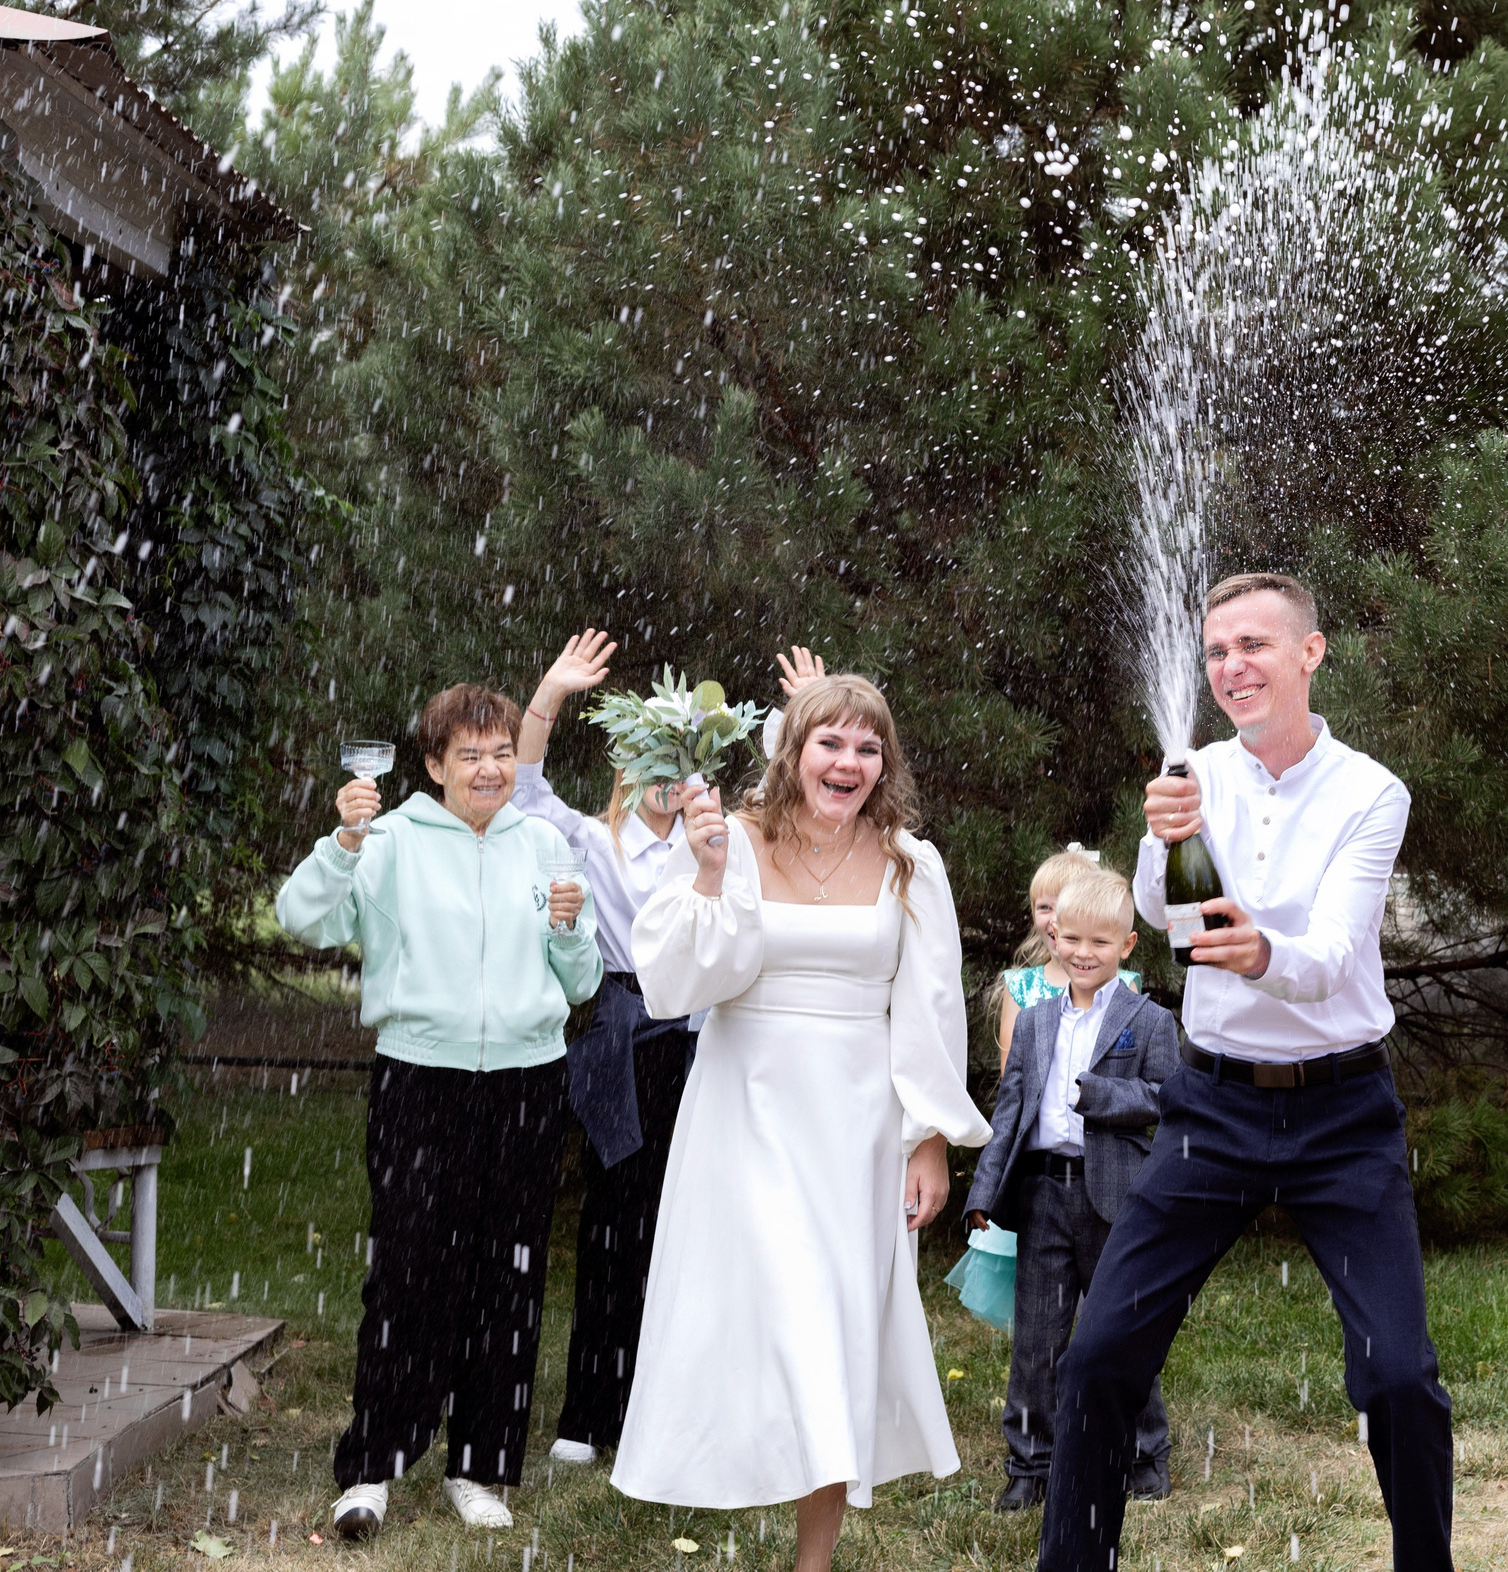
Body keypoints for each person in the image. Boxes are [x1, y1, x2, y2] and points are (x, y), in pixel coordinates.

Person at [1040, 571, 1453, 1572]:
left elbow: (1326, 957)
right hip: (1210, 1107)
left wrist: (1261, 953)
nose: (1232, 668)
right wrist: (1167, 839)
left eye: (1254, 646)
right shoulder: (1196, 772)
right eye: (1218, 651)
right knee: (1098, 1358)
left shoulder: (1371, 793)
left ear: (1309, 653)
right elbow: (1163, 914)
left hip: (1342, 1113)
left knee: (1398, 1378)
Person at [615, 674, 991, 1572]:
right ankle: (737, 1465)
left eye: (867, 747)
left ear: (883, 764)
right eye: (831, 743)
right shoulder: (731, 840)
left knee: (834, 1323)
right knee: (761, 1316)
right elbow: (675, 983)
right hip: (746, 1107)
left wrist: (928, 1135)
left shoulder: (910, 861)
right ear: (794, 750)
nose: (848, 762)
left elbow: (929, 1005)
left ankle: (812, 1560)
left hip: (856, 1122)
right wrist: (707, 874)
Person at [276, 684, 600, 1540]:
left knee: (510, 1274)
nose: (489, 768)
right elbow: (300, 918)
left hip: (528, 1084)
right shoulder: (385, 841)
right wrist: (343, 839)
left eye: (500, 753)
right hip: (420, 1079)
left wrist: (568, 934)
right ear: (433, 765)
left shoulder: (546, 844)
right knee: (409, 1273)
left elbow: (583, 982)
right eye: (469, 754)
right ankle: (373, 1465)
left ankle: (481, 1464)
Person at [508, 629, 698, 1466]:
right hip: (625, 1040)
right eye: (651, 763)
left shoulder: (715, 843)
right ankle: (590, 1411)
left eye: (681, 764)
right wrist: (548, 693)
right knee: (615, 1224)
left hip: (700, 1040)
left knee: (693, 1225)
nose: (667, 782)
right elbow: (520, 785)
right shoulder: (592, 838)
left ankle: (683, 1410)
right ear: (625, 766)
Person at [966, 865, 1180, 1512]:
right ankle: (1031, 1462)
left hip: (1117, 1197)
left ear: (1127, 946)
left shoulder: (1147, 1020)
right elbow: (1010, 1112)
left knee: (1119, 1327)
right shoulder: (1033, 1022)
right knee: (1037, 1337)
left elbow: (1172, 1097)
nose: (1083, 953)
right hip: (1044, 1195)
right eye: (1072, 939)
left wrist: (1102, 1094)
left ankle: (1144, 1452)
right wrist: (984, 1191)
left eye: (1100, 942)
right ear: (1053, 935)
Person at [992, 846, 1139, 1071]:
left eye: (1064, 907)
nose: (1054, 919)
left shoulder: (1123, 985)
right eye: (1044, 907)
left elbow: (1130, 1069)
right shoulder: (1019, 986)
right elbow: (1011, 1077)